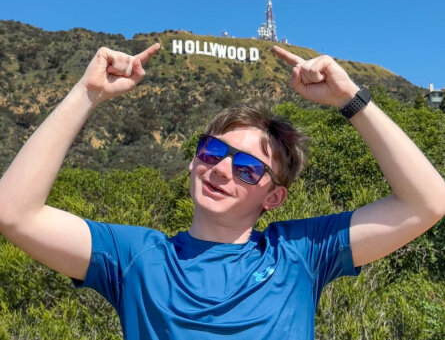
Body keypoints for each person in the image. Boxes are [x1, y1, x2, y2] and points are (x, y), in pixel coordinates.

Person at [0, 43, 444, 340]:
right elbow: (14, 212)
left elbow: (428, 202)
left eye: (250, 168)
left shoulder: (300, 254)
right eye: (214, 150)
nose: (223, 169)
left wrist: (352, 99)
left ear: (273, 198)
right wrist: (87, 93)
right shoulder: (136, 257)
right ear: (195, 160)